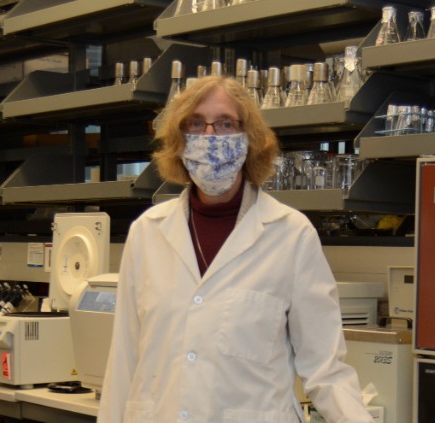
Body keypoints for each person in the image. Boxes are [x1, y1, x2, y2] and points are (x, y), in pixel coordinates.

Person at [98, 75, 373, 423]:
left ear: (249, 138)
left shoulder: (290, 235)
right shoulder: (147, 233)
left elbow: (326, 369)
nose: (210, 136)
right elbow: (123, 360)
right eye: (196, 124)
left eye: (225, 123)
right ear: (179, 140)